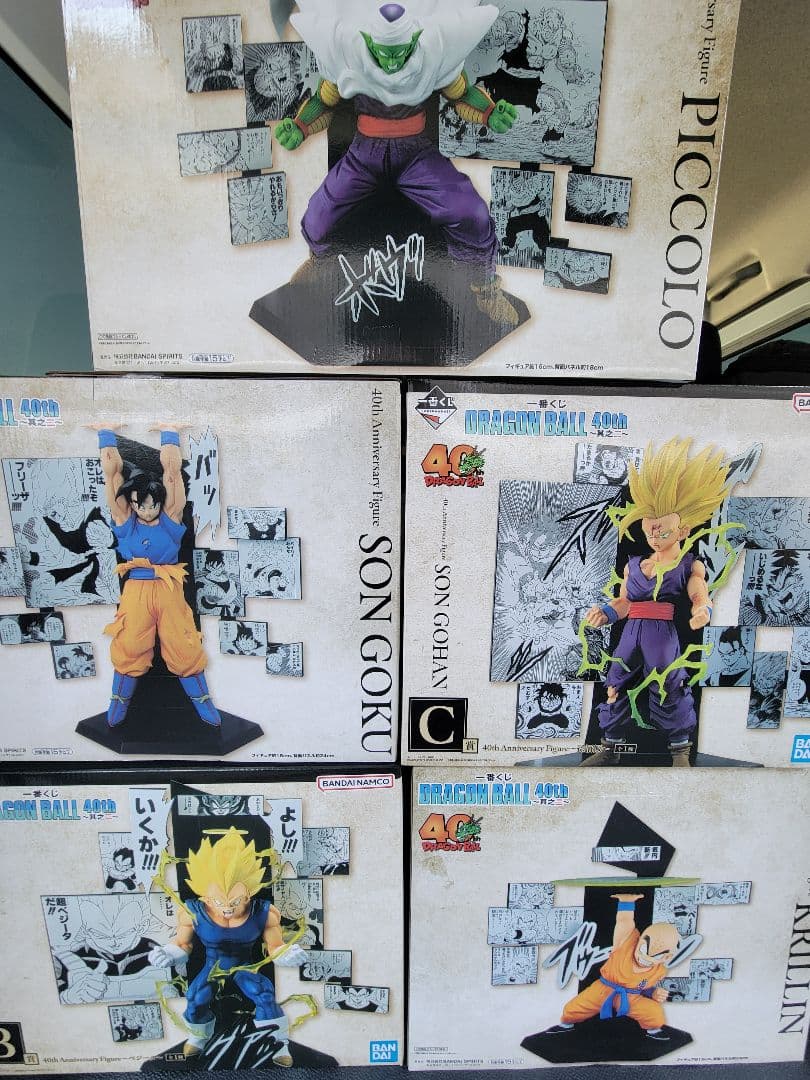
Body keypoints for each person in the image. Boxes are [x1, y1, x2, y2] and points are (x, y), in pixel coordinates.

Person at [275, 1, 521, 325]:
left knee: (471, 212)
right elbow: (323, 102)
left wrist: (489, 113)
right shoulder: (350, 57)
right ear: (367, 41)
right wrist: (300, 127)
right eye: (384, 54)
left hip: (415, 155)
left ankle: (485, 287)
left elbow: (462, 95)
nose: (392, 64)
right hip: (363, 154)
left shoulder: (431, 55)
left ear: (415, 40)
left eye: (400, 53)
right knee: (319, 215)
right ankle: (321, 262)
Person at [582, 438, 731, 766]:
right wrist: (606, 612)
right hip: (630, 631)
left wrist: (702, 609)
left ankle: (680, 751)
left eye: (662, 531)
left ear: (683, 530)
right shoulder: (635, 564)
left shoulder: (689, 564)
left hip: (661, 635)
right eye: (650, 530)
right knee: (614, 683)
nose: (654, 537)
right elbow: (624, 601)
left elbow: (699, 592)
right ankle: (610, 747)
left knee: (669, 686)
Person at [94, 426, 221, 729]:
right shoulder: (126, 522)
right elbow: (112, 477)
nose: (148, 510)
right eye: (141, 504)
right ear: (132, 503)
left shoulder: (170, 520)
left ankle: (203, 702)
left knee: (183, 644)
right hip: (136, 590)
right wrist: (106, 437)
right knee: (129, 644)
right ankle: (118, 701)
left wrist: (170, 435)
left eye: (153, 504)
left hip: (168, 587)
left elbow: (173, 476)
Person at [148, 828, 306, 1061]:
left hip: (245, 966)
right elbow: (182, 944)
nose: (227, 908)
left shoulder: (264, 912)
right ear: (205, 896)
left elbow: (275, 947)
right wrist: (169, 953)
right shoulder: (192, 912)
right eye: (218, 901)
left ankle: (277, 1043)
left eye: (235, 901)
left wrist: (286, 954)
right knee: (196, 997)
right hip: (213, 965)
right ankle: (198, 1036)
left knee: (263, 995)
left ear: (249, 894)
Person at [542, 894, 678, 1042]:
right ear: (640, 941)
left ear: (666, 957)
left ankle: (654, 1030)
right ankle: (566, 1024)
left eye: (654, 957)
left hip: (630, 997)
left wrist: (653, 992)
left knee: (655, 1013)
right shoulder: (626, 944)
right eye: (643, 950)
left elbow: (643, 987)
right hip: (603, 989)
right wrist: (627, 902)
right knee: (573, 1008)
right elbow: (624, 922)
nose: (644, 959)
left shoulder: (659, 971)